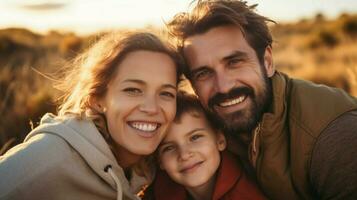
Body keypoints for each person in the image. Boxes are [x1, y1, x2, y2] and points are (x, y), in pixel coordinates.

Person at [166, 0, 357, 199]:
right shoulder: (203, 127)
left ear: (267, 62)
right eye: (203, 73)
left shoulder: (335, 138)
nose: (223, 86)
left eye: (234, 62)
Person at [0, 31, 183, 200]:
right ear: (97, 99)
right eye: (133, 90)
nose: (151, 108)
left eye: (166, 93)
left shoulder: (160, 166)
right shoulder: (49, 158)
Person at [145, 92, 266, 200]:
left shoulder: (249, 193)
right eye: (168, 148)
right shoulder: (155, 192)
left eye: (195, 137)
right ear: (159, 160)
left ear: (220, 140)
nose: (184, 155)